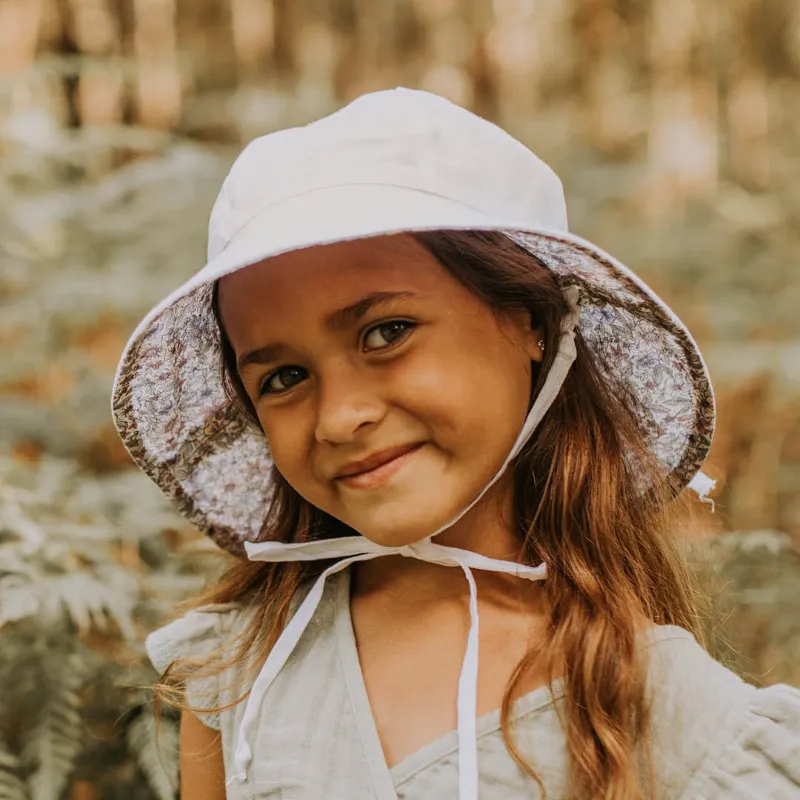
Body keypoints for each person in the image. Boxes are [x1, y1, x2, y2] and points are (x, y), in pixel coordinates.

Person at [112, 88, 800, 800]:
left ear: (533, 320)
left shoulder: (660, 709)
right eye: (285, 376)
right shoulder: (241, 671)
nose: (340, 418)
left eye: (387, 332)